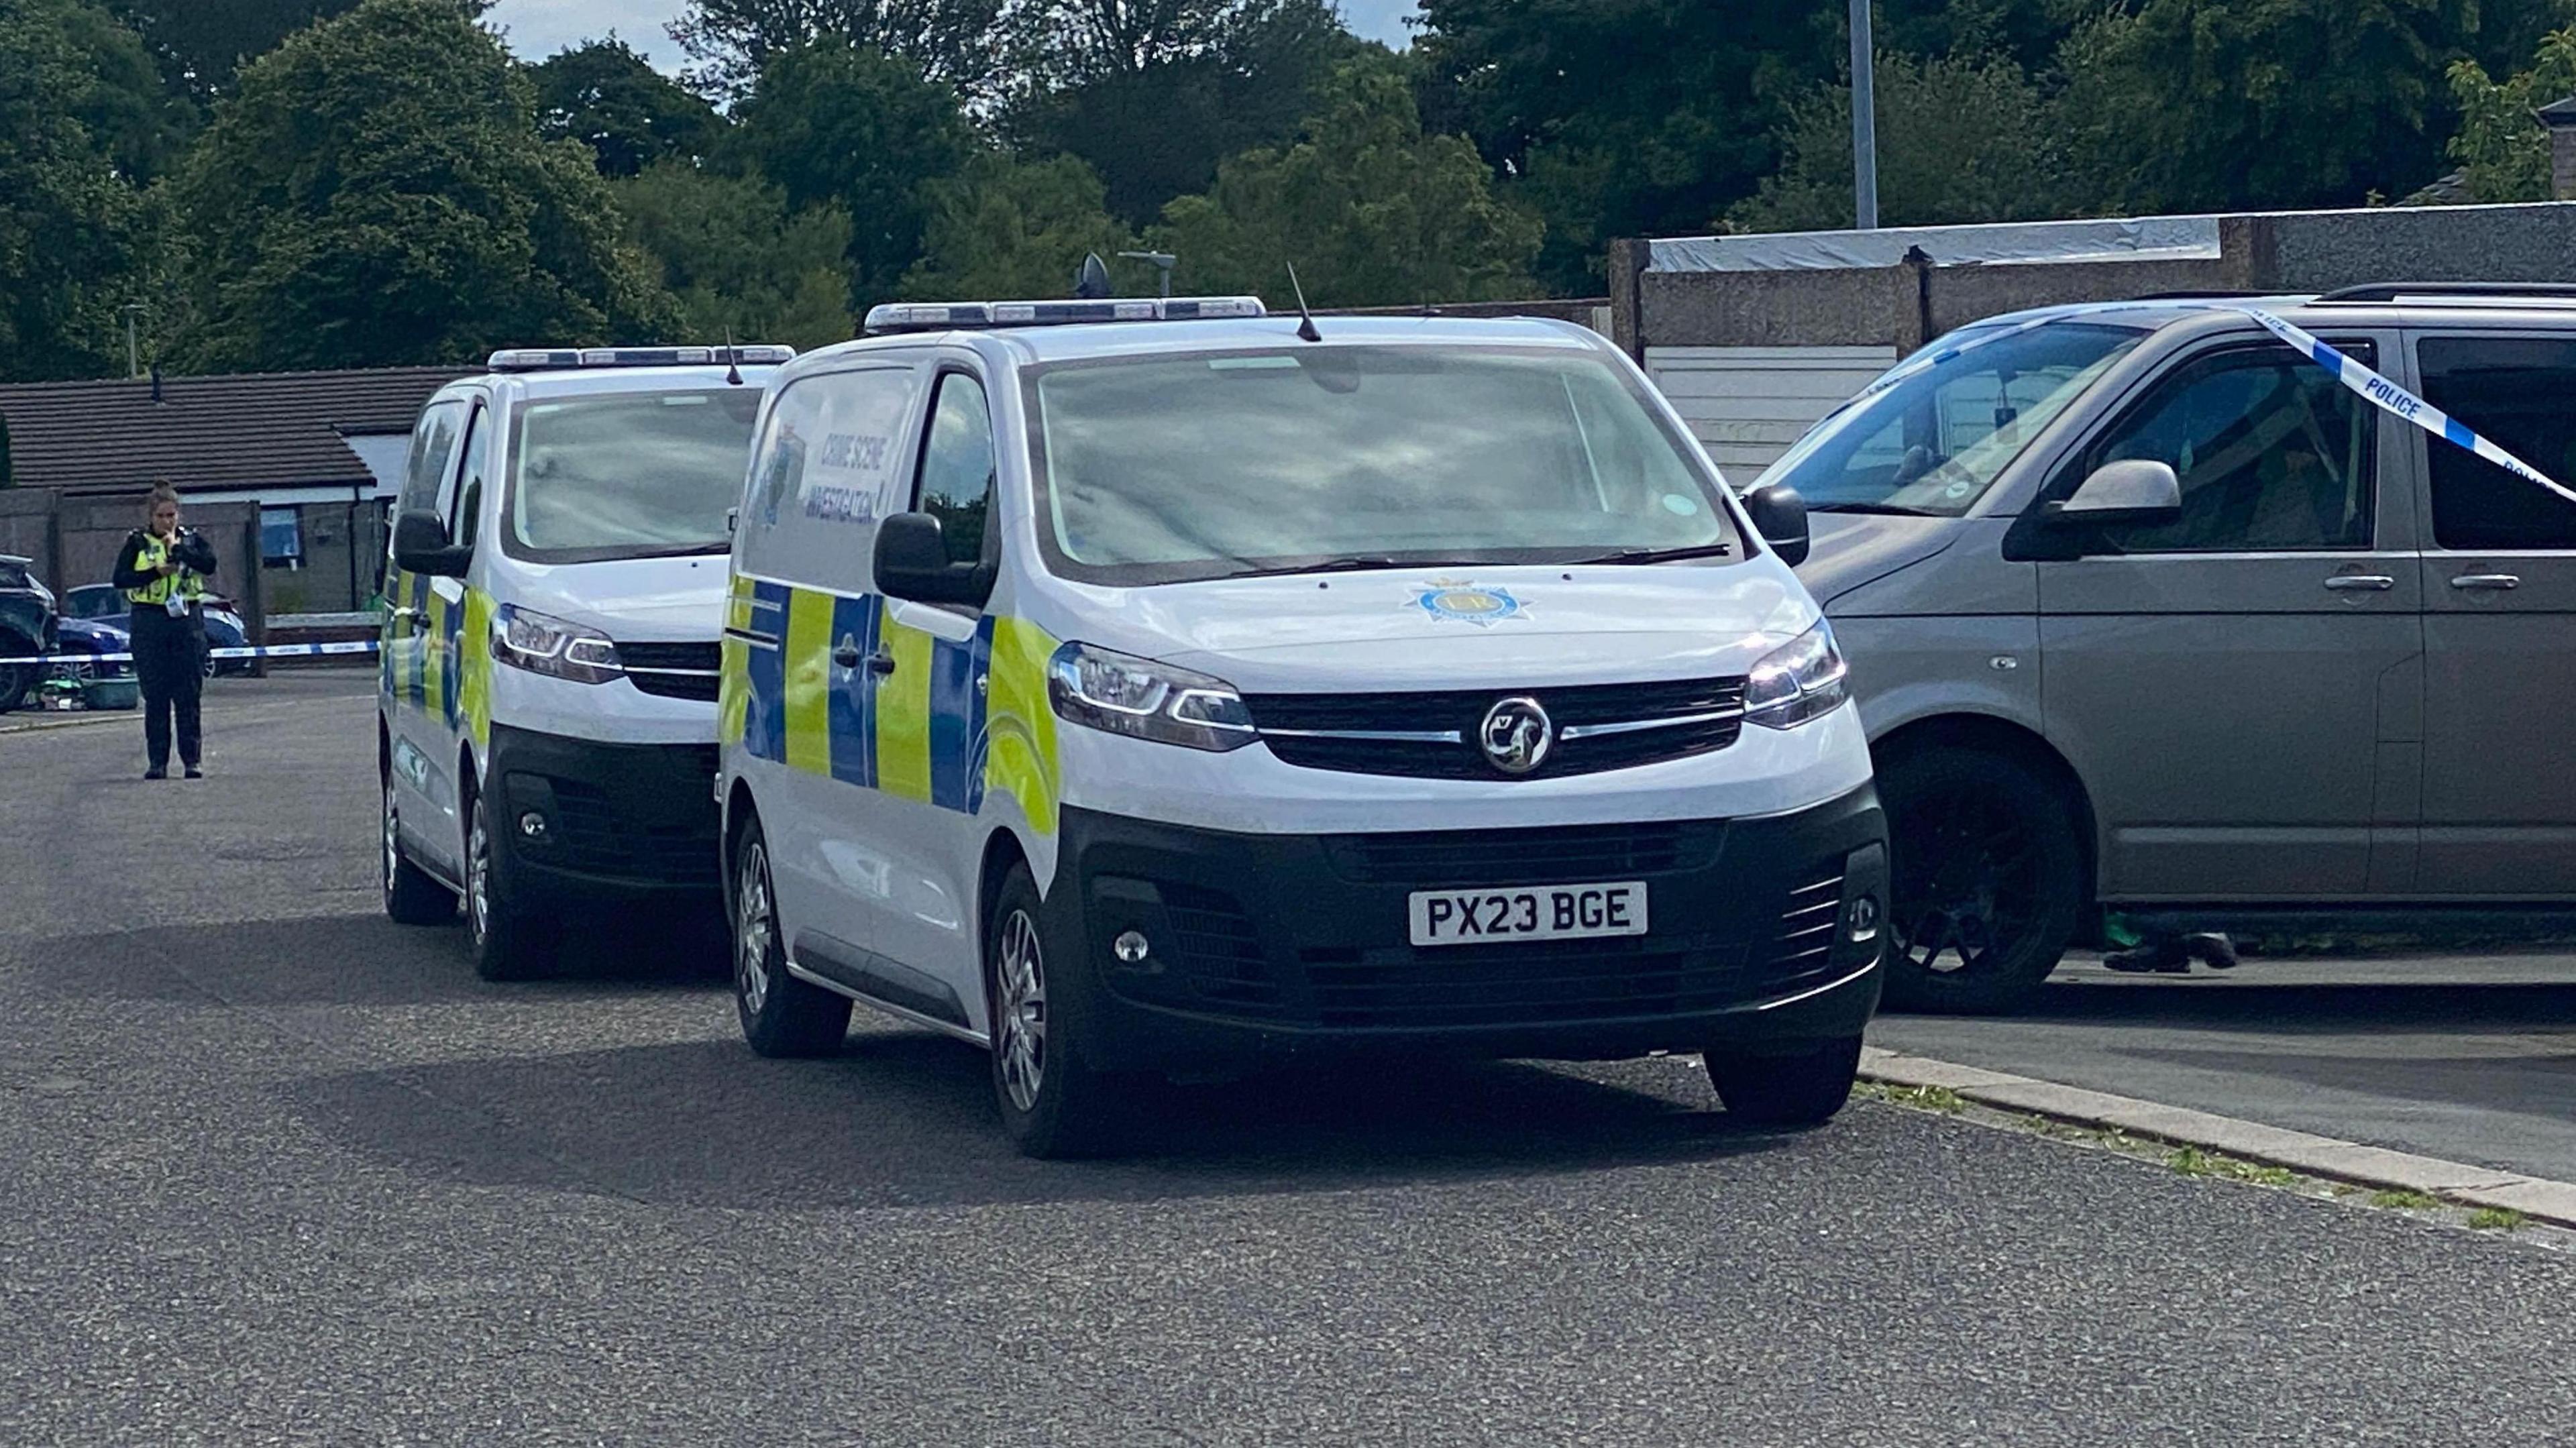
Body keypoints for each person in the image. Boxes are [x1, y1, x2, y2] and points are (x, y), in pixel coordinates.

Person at [111, 484, 219, 779]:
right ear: (151, 516)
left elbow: (209, 565)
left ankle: (192, 761)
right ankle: (157, 762)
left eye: (172, 515)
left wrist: (180, 552)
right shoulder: (136, 543)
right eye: (161, 516)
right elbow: (120, 579)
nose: (168, 521)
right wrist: (156, 572)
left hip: (186, 621)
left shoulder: (192, 540)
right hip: (150, 621)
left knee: (188, 696)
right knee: (156, 697)